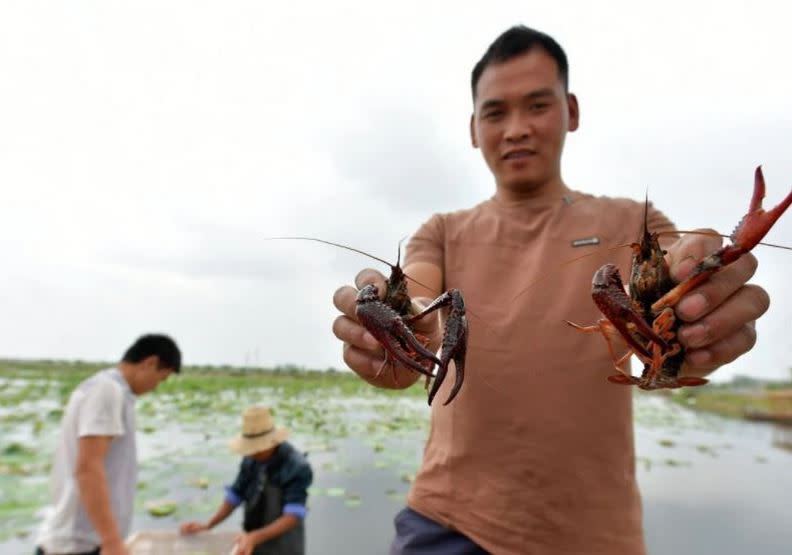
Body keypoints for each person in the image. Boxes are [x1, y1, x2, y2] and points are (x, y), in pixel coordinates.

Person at [332, 25, 772, 554]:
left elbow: (684, 262)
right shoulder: (440, 232)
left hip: (594, 536)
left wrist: (705, 295)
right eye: (496, 113)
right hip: (448, 523)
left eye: (537, 106)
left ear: (572, 111)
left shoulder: (635, 223)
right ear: (474, 129)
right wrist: (402, 327)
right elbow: (424, 298)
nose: (516, 128)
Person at [34, 334, 182, 555]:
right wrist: (112, 541)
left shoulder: (110, 390)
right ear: (149, 363)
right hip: (77, 543)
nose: (156, 387)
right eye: (161, 379)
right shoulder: (107, 390)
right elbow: (88, 469)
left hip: (86, 540)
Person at [179, 406, 313, 555]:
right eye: (251, 448)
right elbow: (236, 494)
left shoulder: (296, 466)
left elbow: (293, 515)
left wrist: (255, 537)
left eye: (258, 448)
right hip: (252, 539)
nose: (253, 452)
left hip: (284, 544)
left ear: (272, 442)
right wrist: (209, 525)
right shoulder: (251, 459)